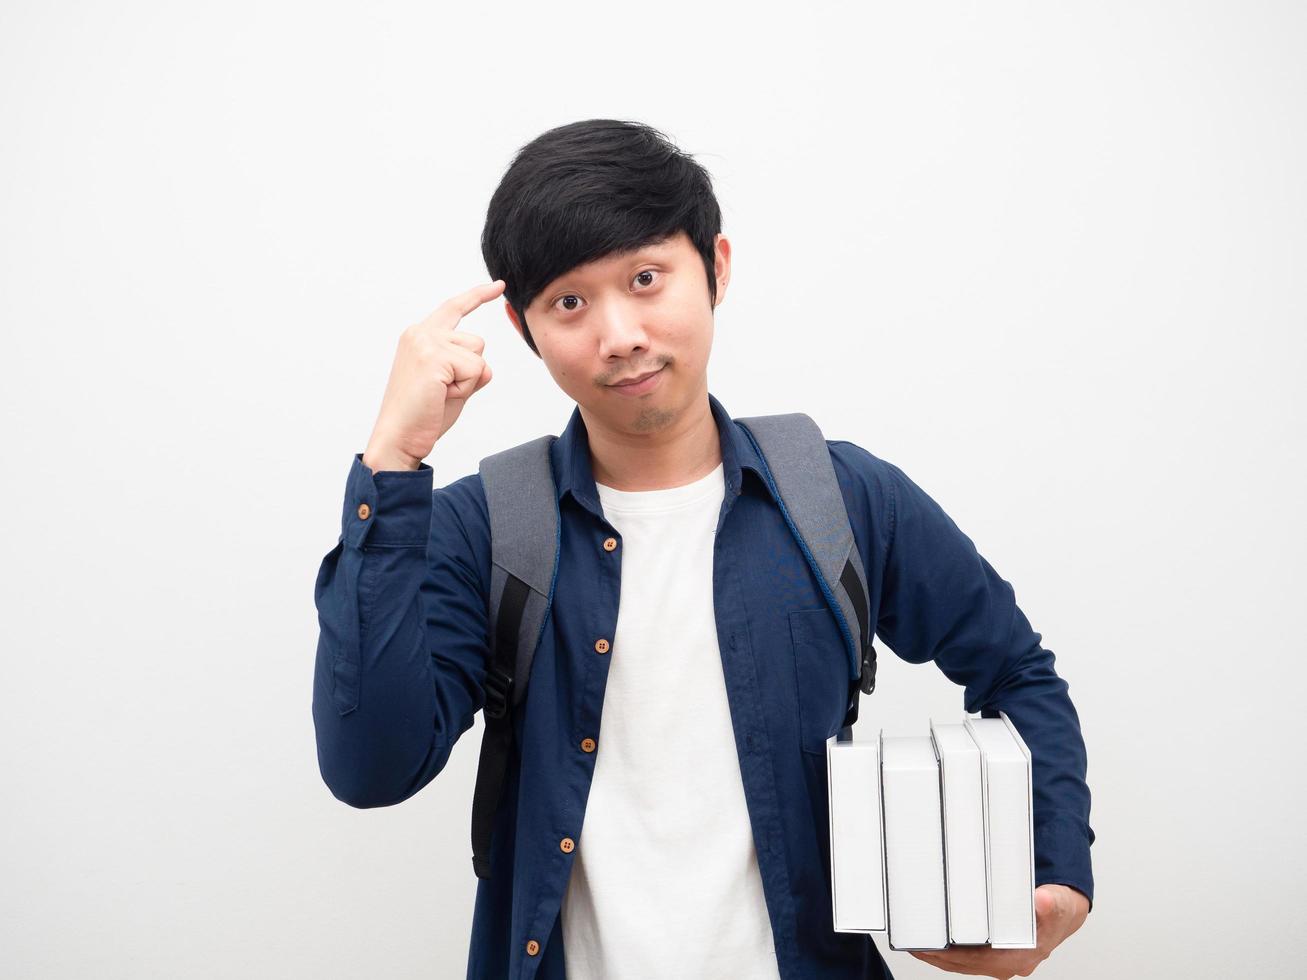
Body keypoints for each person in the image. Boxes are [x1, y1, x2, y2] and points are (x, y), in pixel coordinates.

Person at [312, 118, 1094, 980]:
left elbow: (1016, 670)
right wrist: (393, 461)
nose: (619, 336)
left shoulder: (839, 496)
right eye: (569, 303)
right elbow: (370, 768)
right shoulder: (484, 526)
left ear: (715, 267)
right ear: (523, 326)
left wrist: (1055, 878)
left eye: (646, 279)